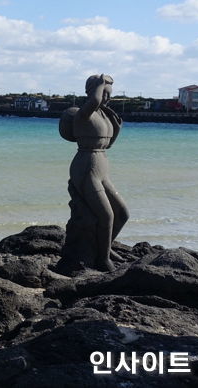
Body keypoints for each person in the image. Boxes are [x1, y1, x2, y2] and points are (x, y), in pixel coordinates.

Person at [67, 74, 129, 271]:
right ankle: (102, 260)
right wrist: (100, 84)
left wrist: (117, 129)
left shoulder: (104, 115)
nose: (107, 98)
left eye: (109, 94)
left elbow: (107, 145)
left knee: (122, 214)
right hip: (85, 167)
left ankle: (105, 246)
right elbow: (94, 100)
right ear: (93, 91)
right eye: (104, 93)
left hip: (101, 167)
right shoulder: (83, 113)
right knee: (106, 216)